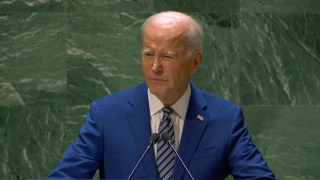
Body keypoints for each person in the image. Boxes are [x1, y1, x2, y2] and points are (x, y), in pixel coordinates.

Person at [48, 11, 276, 180]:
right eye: (148, 54)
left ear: (195, 62)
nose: (155, 66)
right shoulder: (107, 114)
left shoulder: (226, 119)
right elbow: (67, 176)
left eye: (167, 56)